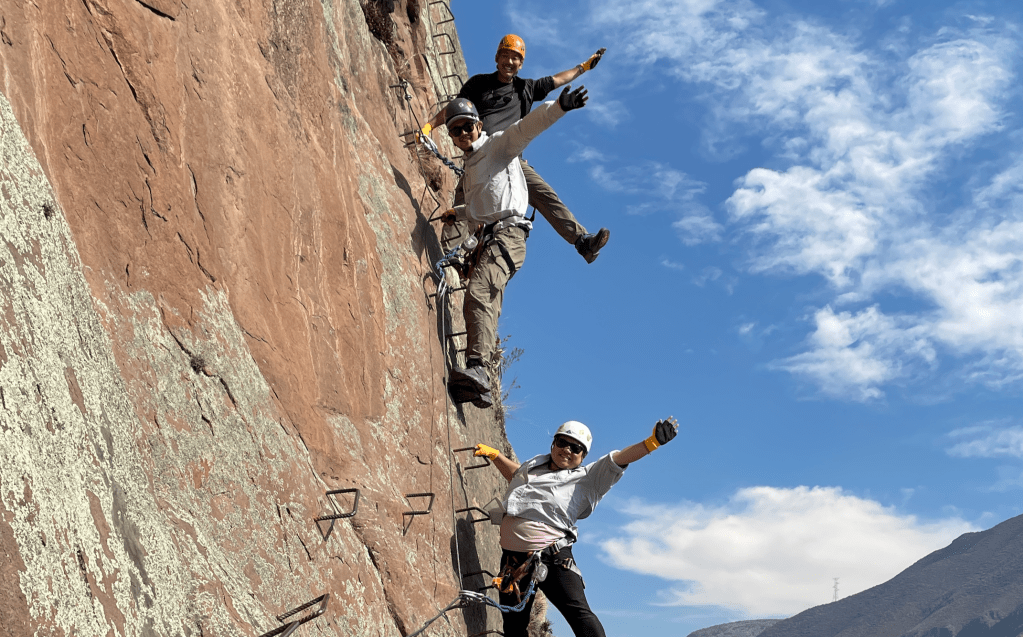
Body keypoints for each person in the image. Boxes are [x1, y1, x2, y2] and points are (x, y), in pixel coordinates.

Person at [442, 82, 589, 407]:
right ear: (451, 136)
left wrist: (559, 106)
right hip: (492, 238)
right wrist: (459, 212)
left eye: (467, 126)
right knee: (486, 304)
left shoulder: (497, 145)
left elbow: (525, 128)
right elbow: (481, 209)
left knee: (478, 291)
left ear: (479, 125)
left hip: (508, 235)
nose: (463, 133)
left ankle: (478, 370)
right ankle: (481, 388)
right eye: (456, 130)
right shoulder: (471, 169)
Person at [472, 417, 680, 637]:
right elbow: (518, 478)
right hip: (513, 562)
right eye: (562, 442)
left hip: (552, 557)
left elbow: (618, 459)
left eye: (575, 448)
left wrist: (651, 442)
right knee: (514, 627)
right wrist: (496, 456)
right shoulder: (535, 466)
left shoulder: (587, 479)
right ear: (553, 443)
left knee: (580, 616)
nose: (567, 450)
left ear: (583, 456)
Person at [422, 35, 610, 264]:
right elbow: (454, 110)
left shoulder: (526, 88)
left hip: (509, 158)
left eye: (515, 58)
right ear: (496, 57)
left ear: (521, 64)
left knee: (543, 193)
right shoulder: (479, 84)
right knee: (465, 202)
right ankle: (449, 256)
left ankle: (582, 242)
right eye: (505, 56)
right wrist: (429, 126)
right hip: (481, 155)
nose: (509, 62)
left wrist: (583, 67)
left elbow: (557, 80)